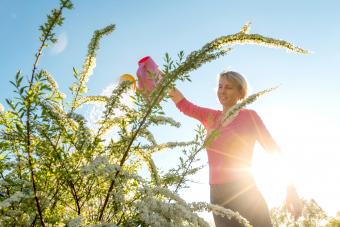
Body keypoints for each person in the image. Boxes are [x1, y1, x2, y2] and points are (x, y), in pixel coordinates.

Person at [168, 71, 280, 227]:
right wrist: (158, 78)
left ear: (240, 92)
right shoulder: (210, 117)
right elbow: (185, 105)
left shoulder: (250, 117)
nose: (222, 91)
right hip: (218, 196)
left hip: (245, 190)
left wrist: (291, 189)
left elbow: (273, 150)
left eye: (228, 87)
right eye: (220, 86)